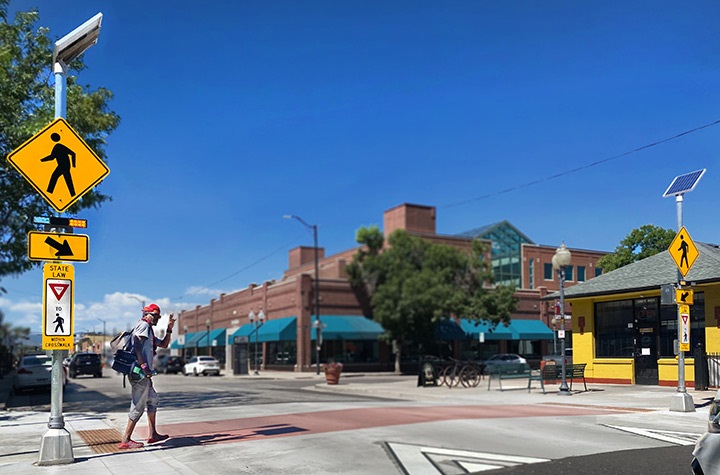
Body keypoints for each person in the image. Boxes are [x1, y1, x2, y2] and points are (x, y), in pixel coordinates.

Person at [119, 303, 176, 449]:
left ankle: (153, 434)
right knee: (138, 405)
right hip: (140, 373)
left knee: (153, 400)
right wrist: (144, 366)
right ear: (150, 314)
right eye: (157, 316)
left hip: (145, 374)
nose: (158, 319)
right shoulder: (143, 326)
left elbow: (163, 344)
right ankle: (126, 440)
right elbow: (137, 345)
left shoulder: (149, 330)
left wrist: (169, 329)